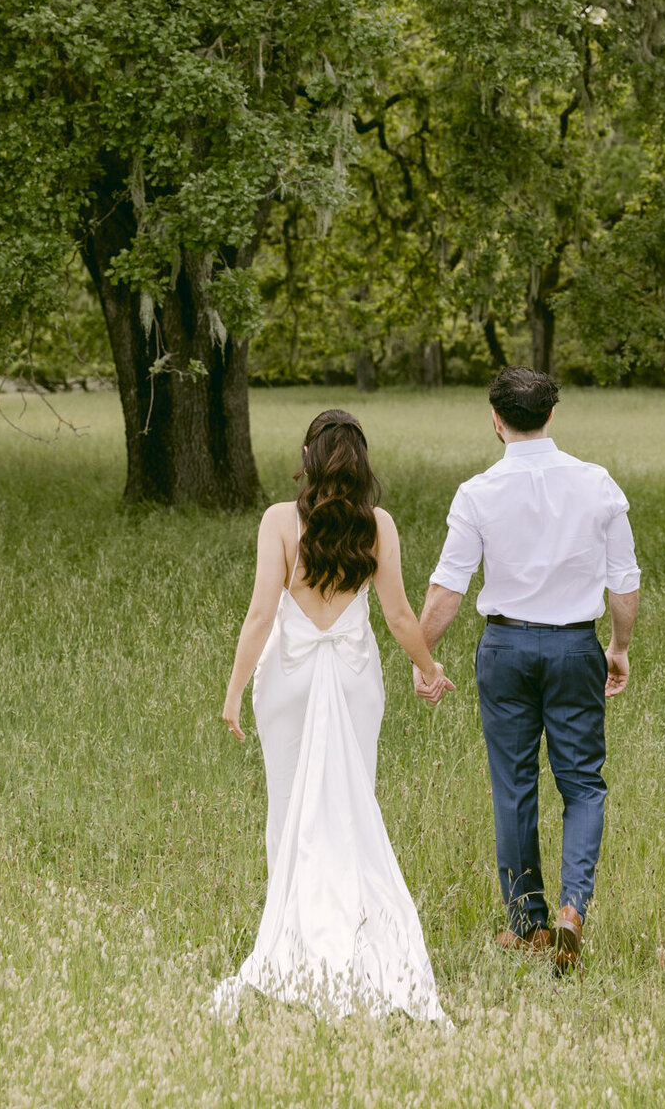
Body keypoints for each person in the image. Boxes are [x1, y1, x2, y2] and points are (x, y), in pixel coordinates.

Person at [212, 409, 453, 1022]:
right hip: (352, 678)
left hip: (287, 681)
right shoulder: (379, 526)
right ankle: (349, 926)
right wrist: (428, 668)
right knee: (349, 803)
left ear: (306, 456)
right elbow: (399, 616)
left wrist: (235, 690)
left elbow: (260, 615)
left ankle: (292, 932)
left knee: (288, 805)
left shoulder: (278, 522)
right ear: (363, 464)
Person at [415, 368, 640, 973]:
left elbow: (448, 588)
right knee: (583, 784)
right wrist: (617, 647)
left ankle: (526, 925)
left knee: (514, 786)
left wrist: (423, 655)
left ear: (496, 419)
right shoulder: (597, 484)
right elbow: (624, 582)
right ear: (551, 416)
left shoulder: (478, 492)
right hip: (573, 647)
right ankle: (573, 909)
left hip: (506, 649)